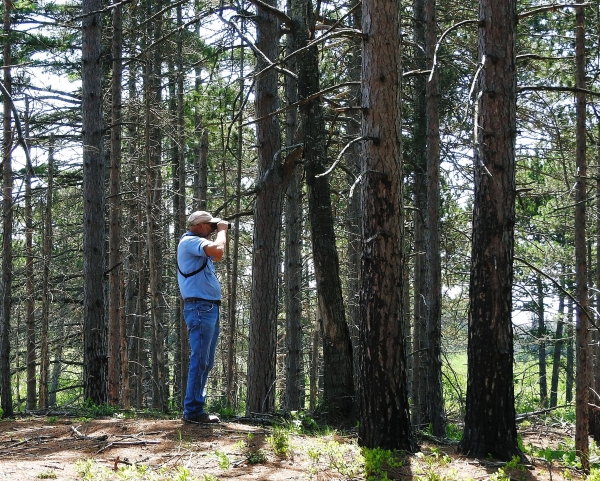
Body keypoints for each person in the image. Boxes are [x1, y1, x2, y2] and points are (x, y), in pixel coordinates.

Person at [177, 210, 228, 424]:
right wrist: (223, 231)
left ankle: (195, 408)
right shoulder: (190, 241)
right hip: (200, 308)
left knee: (205, 361)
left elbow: (215, 255)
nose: (214, 229)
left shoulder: (197, 242)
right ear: (199, 225)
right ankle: (193, 411)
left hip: (208, 308)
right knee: (200, 360)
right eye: (211, 226)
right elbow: (218, 251)